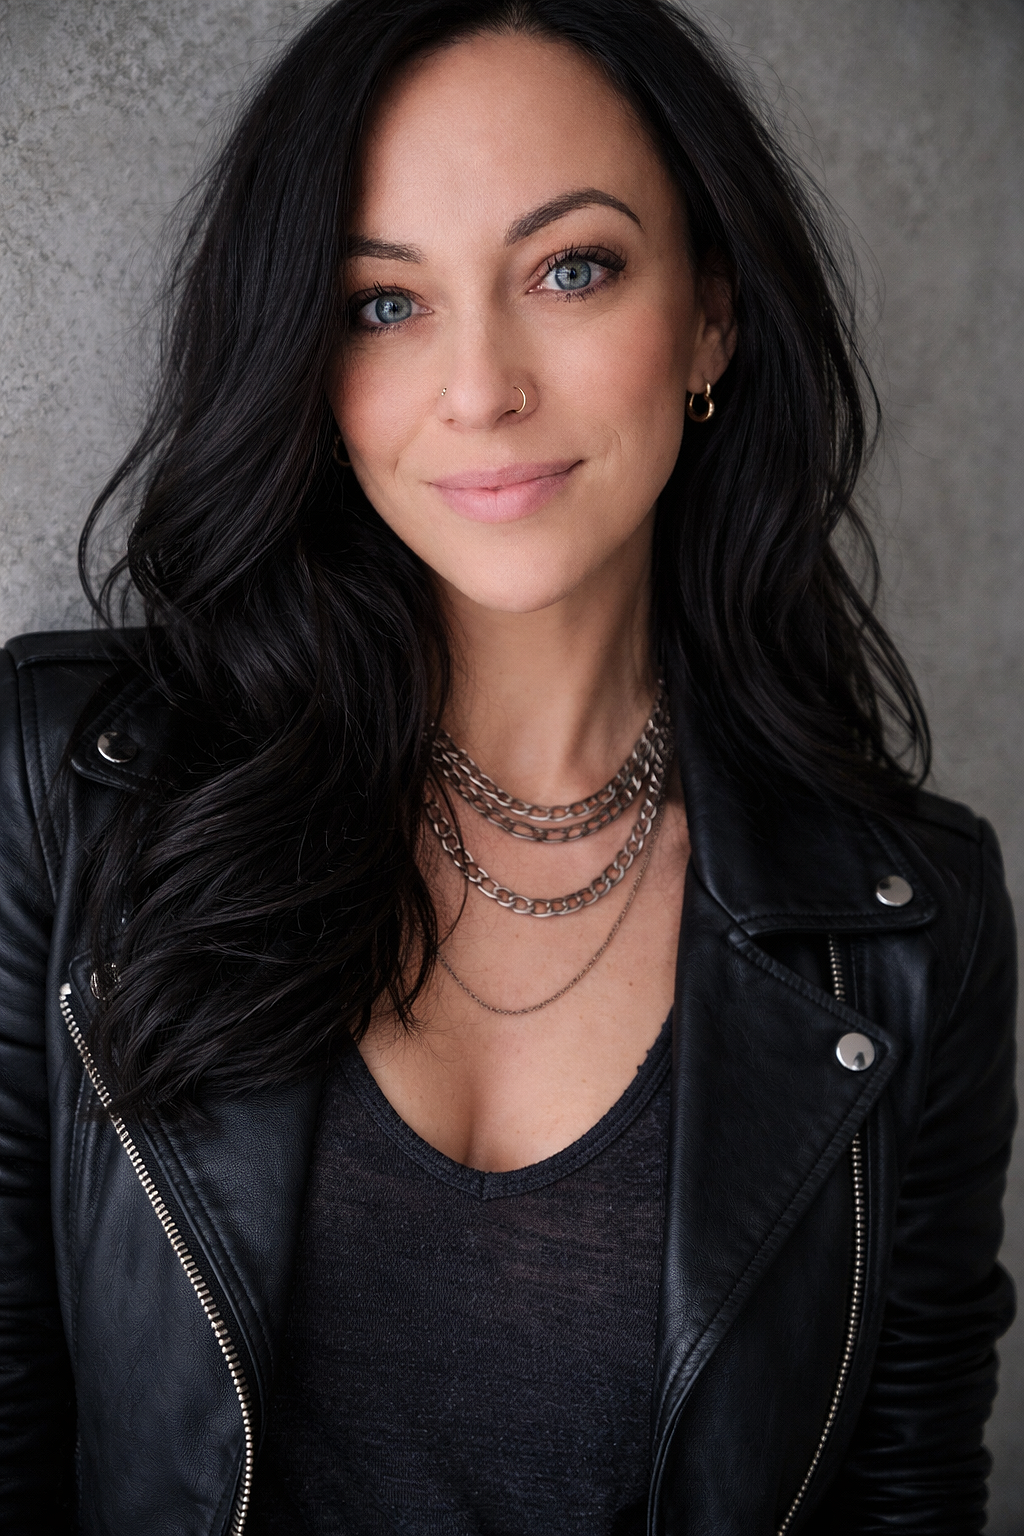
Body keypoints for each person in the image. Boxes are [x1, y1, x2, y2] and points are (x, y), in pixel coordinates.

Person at [0, 0, 1016, 1531]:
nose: (481, 389)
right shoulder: (71, 785)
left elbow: (905, 1492)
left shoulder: (911, 925)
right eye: (382, 305)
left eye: (571, 268)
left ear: (712, 321)